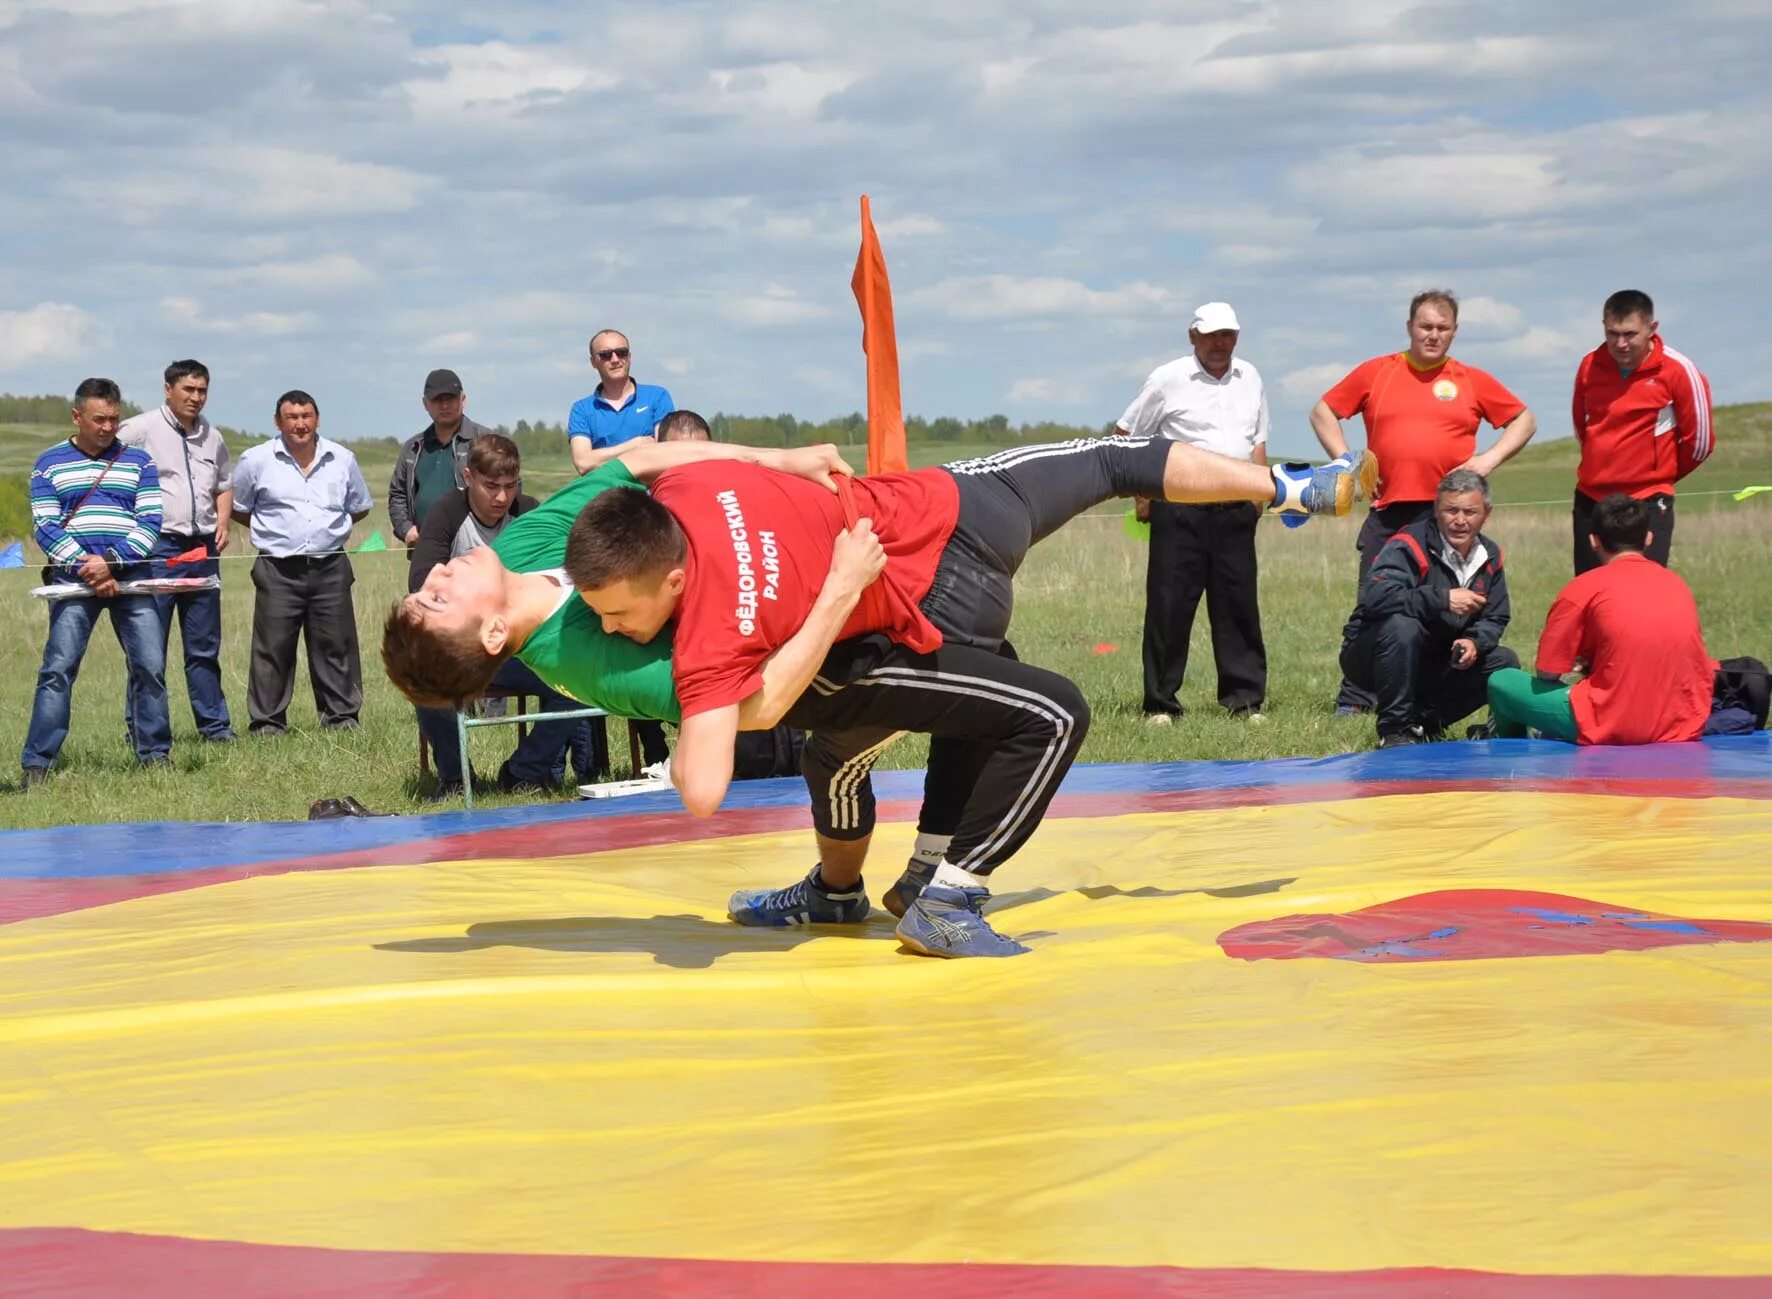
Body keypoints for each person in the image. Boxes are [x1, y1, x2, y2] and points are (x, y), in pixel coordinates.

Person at [563, 437, 1375, 958]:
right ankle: (1293, 485)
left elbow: (711, 775)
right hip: (944, 508)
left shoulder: (707, 631)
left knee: (867, 721)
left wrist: (690, 717)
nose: (619, 632)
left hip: (919, 600)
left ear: (671, 573)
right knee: (1112, 460)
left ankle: (940, 890)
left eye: (621, 615)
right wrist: (789, 458)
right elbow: (645, 454)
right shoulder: (693, 485)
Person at [381, 439, 871, 727]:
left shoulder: (512, 549)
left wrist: (779, 459)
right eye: (438, 598)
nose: (439, 570)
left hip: (809, 518)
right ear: (492, 633)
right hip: (848, 593)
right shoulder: (589, 666)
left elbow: (638, 463)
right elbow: (750, 710)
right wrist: (842, 590)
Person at [1310, 290, 1536, 713]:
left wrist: (1486, 461)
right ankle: (1357, 697)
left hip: (1448, 517)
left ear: (1454, 331)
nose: (1433, 335)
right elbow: (1323, 411)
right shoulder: (1378, 372)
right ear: (1410, 327)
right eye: (1425, 326)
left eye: (1442, 328)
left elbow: (1524, 420)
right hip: (1389, 511)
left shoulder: (1471, 379)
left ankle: (1428, 688)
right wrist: (1346, 465)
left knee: (1446, 608)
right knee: (1375, 603)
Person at [406, 434, 587, 798]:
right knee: (426, 682)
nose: (502, 498)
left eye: (510, 486)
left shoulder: (531, 512)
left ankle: (525, 771)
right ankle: (456, 779)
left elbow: (561, 577)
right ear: (468, 476)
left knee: (582, 684)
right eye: (491, 486)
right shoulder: (446, 513)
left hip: (523, 650)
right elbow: (420, 582)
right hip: (466, 648)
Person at [1117, 301, 1269, 722]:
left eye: (1228, 335)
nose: (1221, 344)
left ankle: (1246, 701)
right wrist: (1143, 496)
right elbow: (1127, 436)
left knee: (1238, 605)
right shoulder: (1168, 379)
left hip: (1236, 507)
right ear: (1193, 337)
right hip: (1179, 508)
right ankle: (1160, 703)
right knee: (1169, 606)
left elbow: (1256, 438)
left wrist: (1258, 495)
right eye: (1212, 335)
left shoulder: (1251, 377)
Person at [21, 378, 171, 783]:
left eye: (113, 420)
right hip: (74, 581)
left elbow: (151, 522)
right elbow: (46, 525)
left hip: (132, 576)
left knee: (150, 667)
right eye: (98, 419)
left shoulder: (139, 463)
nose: (107, 427)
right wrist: (87, 565)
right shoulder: (48, 463)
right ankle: (39, 762)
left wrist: (112, 563)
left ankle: (155, 755)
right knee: (58, 669)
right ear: (77, 416)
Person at [1488, 495, 1714, 744]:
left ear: (1593, 541)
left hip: (1611, 723)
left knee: (1502, 681)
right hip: (1682, 723)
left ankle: (1509, 750)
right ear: (1649, 538)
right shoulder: (1677, 584)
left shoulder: (1582, 588)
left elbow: (1548, 672)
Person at [1338, 469, 1519, 748]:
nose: (1460, 521)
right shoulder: (1408, 543)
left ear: (1487, 513)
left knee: (1504, 662)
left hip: (1437, 657)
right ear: (1436, 510)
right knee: (1402, 625)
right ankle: (1395, 731)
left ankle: (1423, 725)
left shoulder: (1491, 555)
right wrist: (1443, 599)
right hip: (1374, 654)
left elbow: (1495, 616)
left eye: (1470, 512)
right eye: (1450, 511)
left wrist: (1473, 641)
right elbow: (1376, 597)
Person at [231, 390, 372, 734]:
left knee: (336, 646)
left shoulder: (342, 459)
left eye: (306, 416)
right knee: (272, 649)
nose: (300, 424)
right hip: (278, 567)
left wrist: (329, 531)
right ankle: (267, 724)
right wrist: (277, 533)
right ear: (278, 422)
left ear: (317, 419)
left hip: (330, 566)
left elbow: (360, 506)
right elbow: (238, 507)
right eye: (292, 417)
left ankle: (341, 719)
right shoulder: (256, 460)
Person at [117, 358, 236, 742]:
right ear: (168, 389)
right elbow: (107, 466)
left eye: (202, 390)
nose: (196, 397)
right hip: (157, 546)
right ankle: (142, 730)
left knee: (204, 646)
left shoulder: (212, 436)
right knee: (150, 647)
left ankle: (215, 729)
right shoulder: (140, 429)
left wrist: (222, 521)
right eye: (188, 389)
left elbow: (224, 483)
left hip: (202, 548)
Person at [1570, 290, 1714, 574]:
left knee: (1643, 588)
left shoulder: (1678, 370)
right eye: (1612, 333)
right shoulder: (1590, 364)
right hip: (1592, 499)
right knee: (1591, 590)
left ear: (1652, 328)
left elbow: (1701, 442)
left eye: (1630, 334)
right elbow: (1581, 424)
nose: (1620, 344)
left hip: (1647, 499)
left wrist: (1658, 474)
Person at [387, 368, 495, 547]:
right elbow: (398, 494)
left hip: (477, 548)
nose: (444, 406)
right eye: (437, 400)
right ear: (425, 403)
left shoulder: (486, 441)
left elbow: (509, 489)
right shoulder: (413, 448)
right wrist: (405, 529)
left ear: (463, 400)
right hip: (425, 548)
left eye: (450, 399)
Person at [567, 330, 675, 476]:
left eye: (621, 352)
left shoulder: (657, 397)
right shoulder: (582, 410)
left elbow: (664, 453)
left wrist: (600, 458)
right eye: (606, 355)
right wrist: (636, 445)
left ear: (629, 357)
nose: (615, 359)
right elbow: (583, 463)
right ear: (593, 362)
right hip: (605, 495)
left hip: (649, 495)